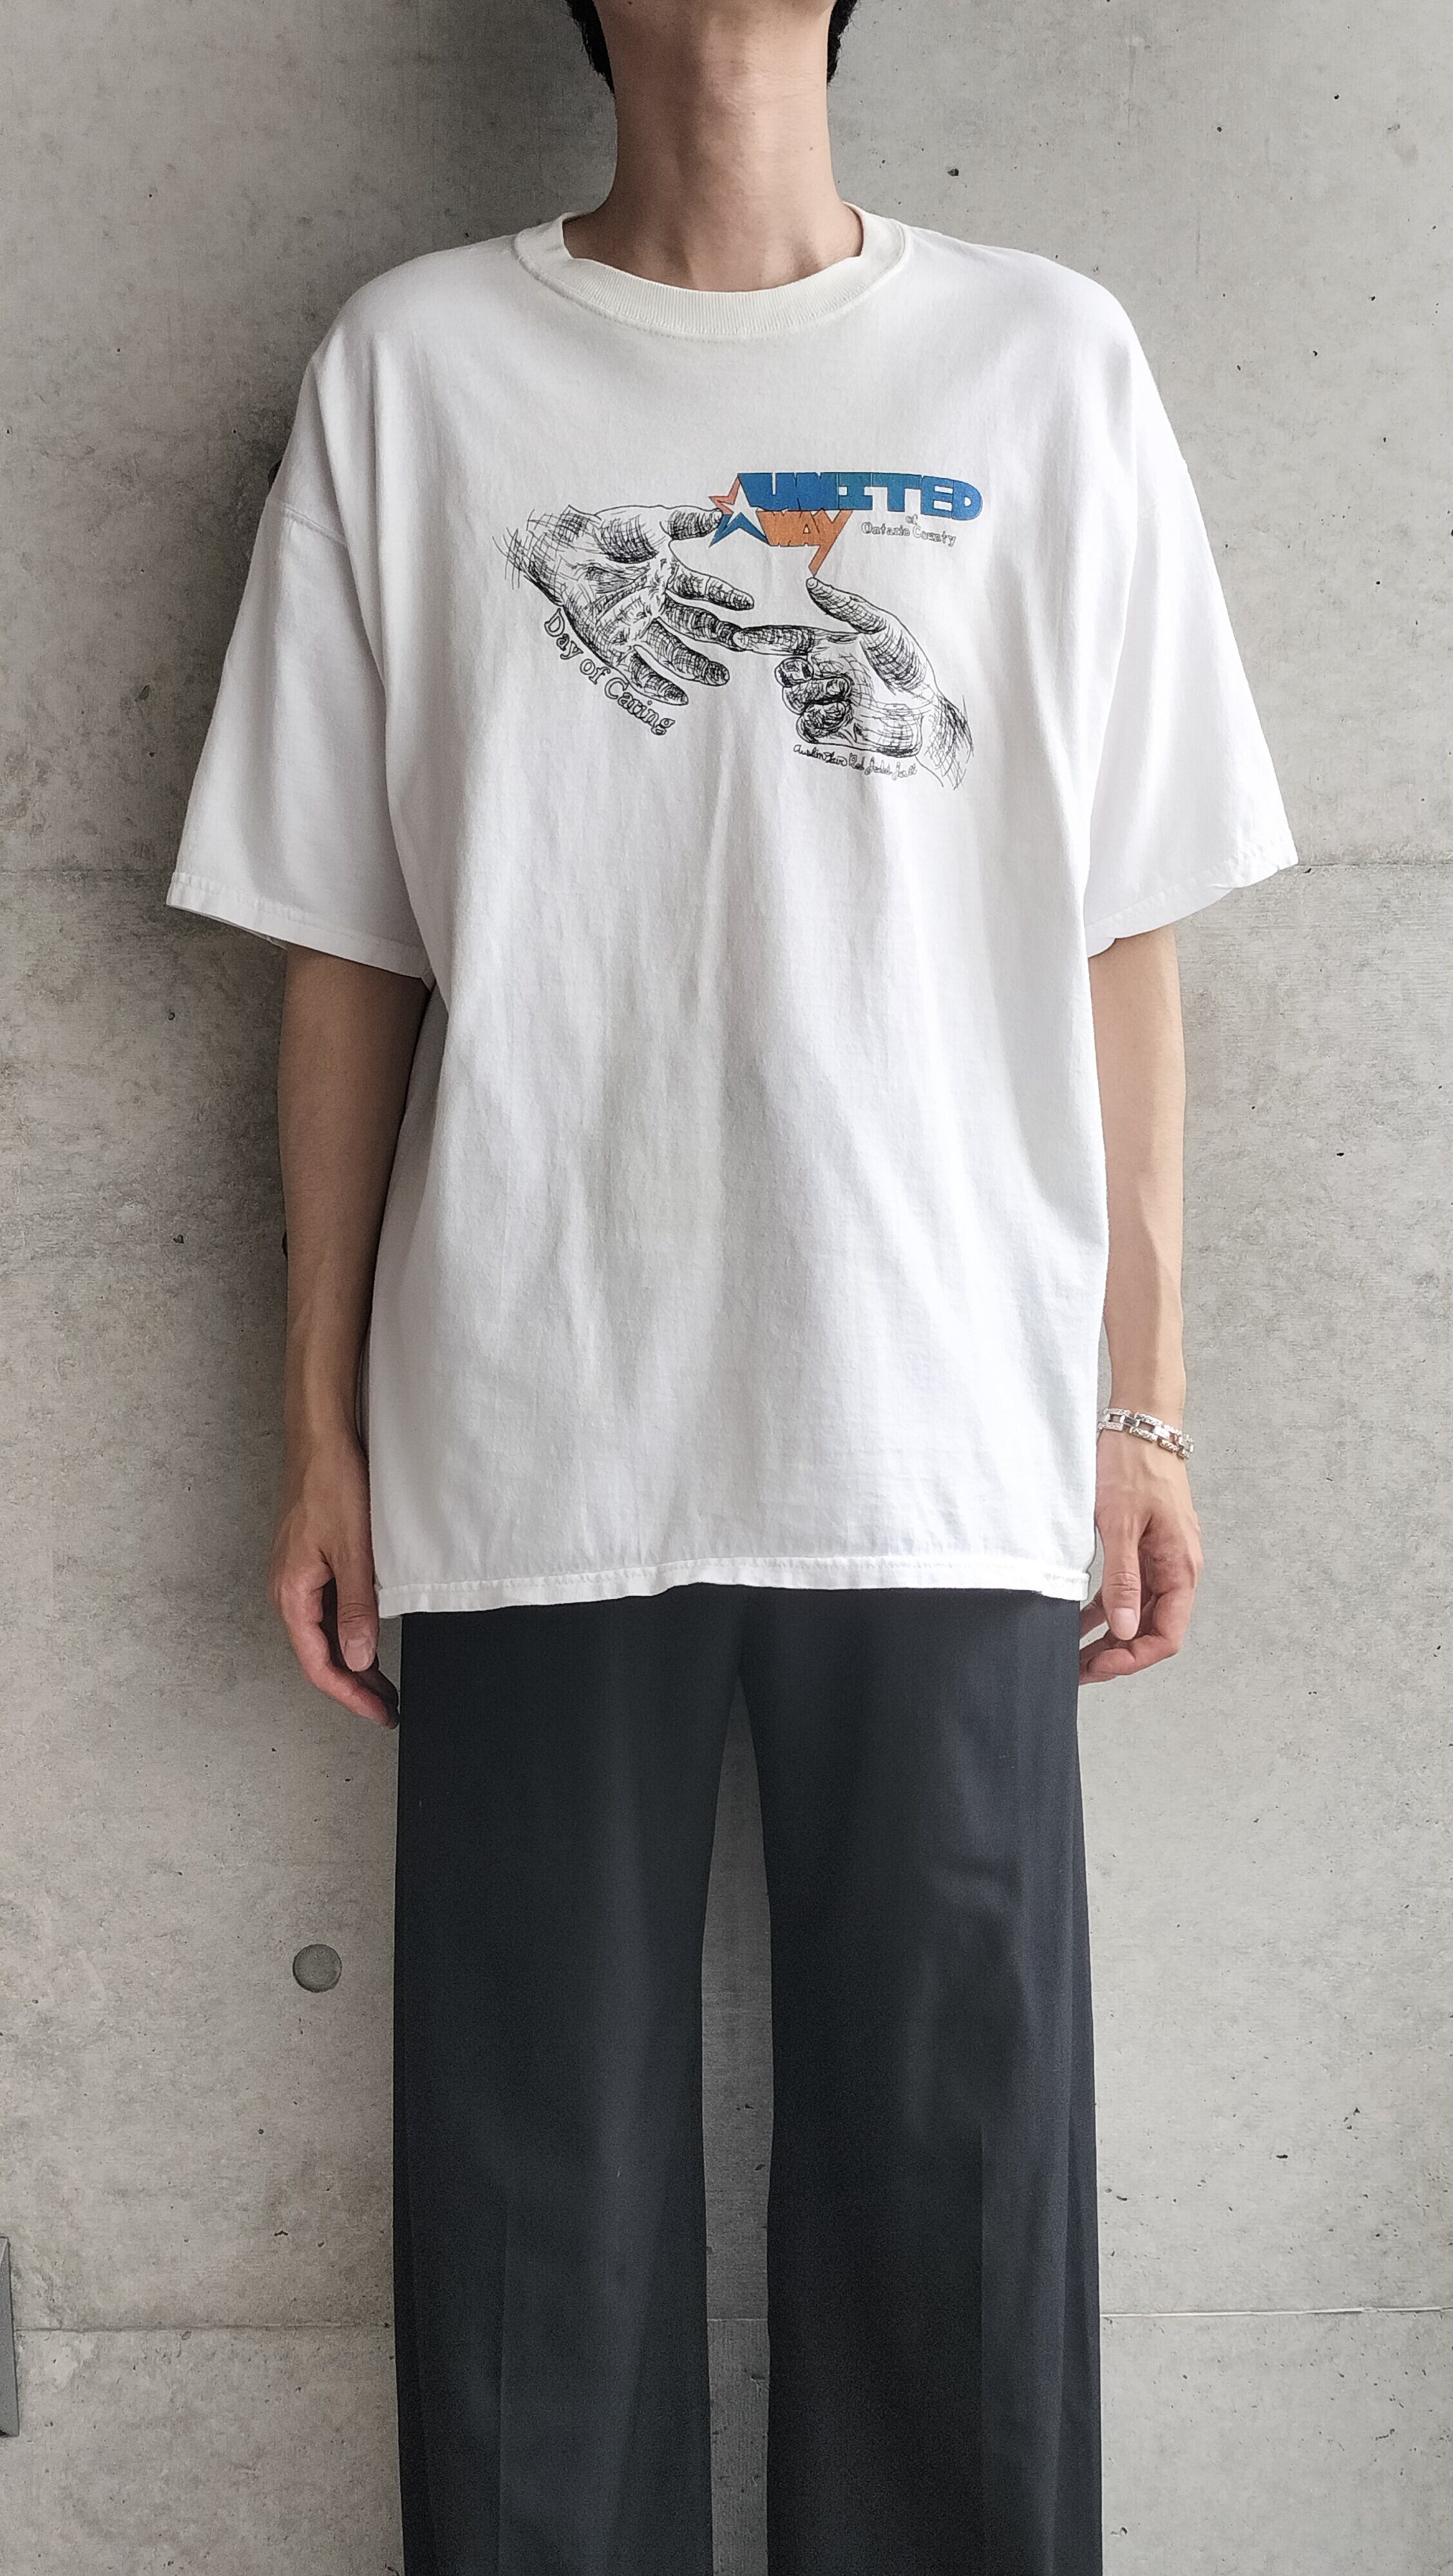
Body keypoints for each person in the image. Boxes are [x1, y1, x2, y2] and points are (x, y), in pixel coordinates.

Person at [164, 0, 1298, 2566]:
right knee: (527, 2223)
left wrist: (1144, 1403)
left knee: (963, 2201)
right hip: (533, 1409)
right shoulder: (416, 367)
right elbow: (344, 949)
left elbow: (1125, 926)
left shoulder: (1046, 359)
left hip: (941, 1409)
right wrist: (321, 1432)